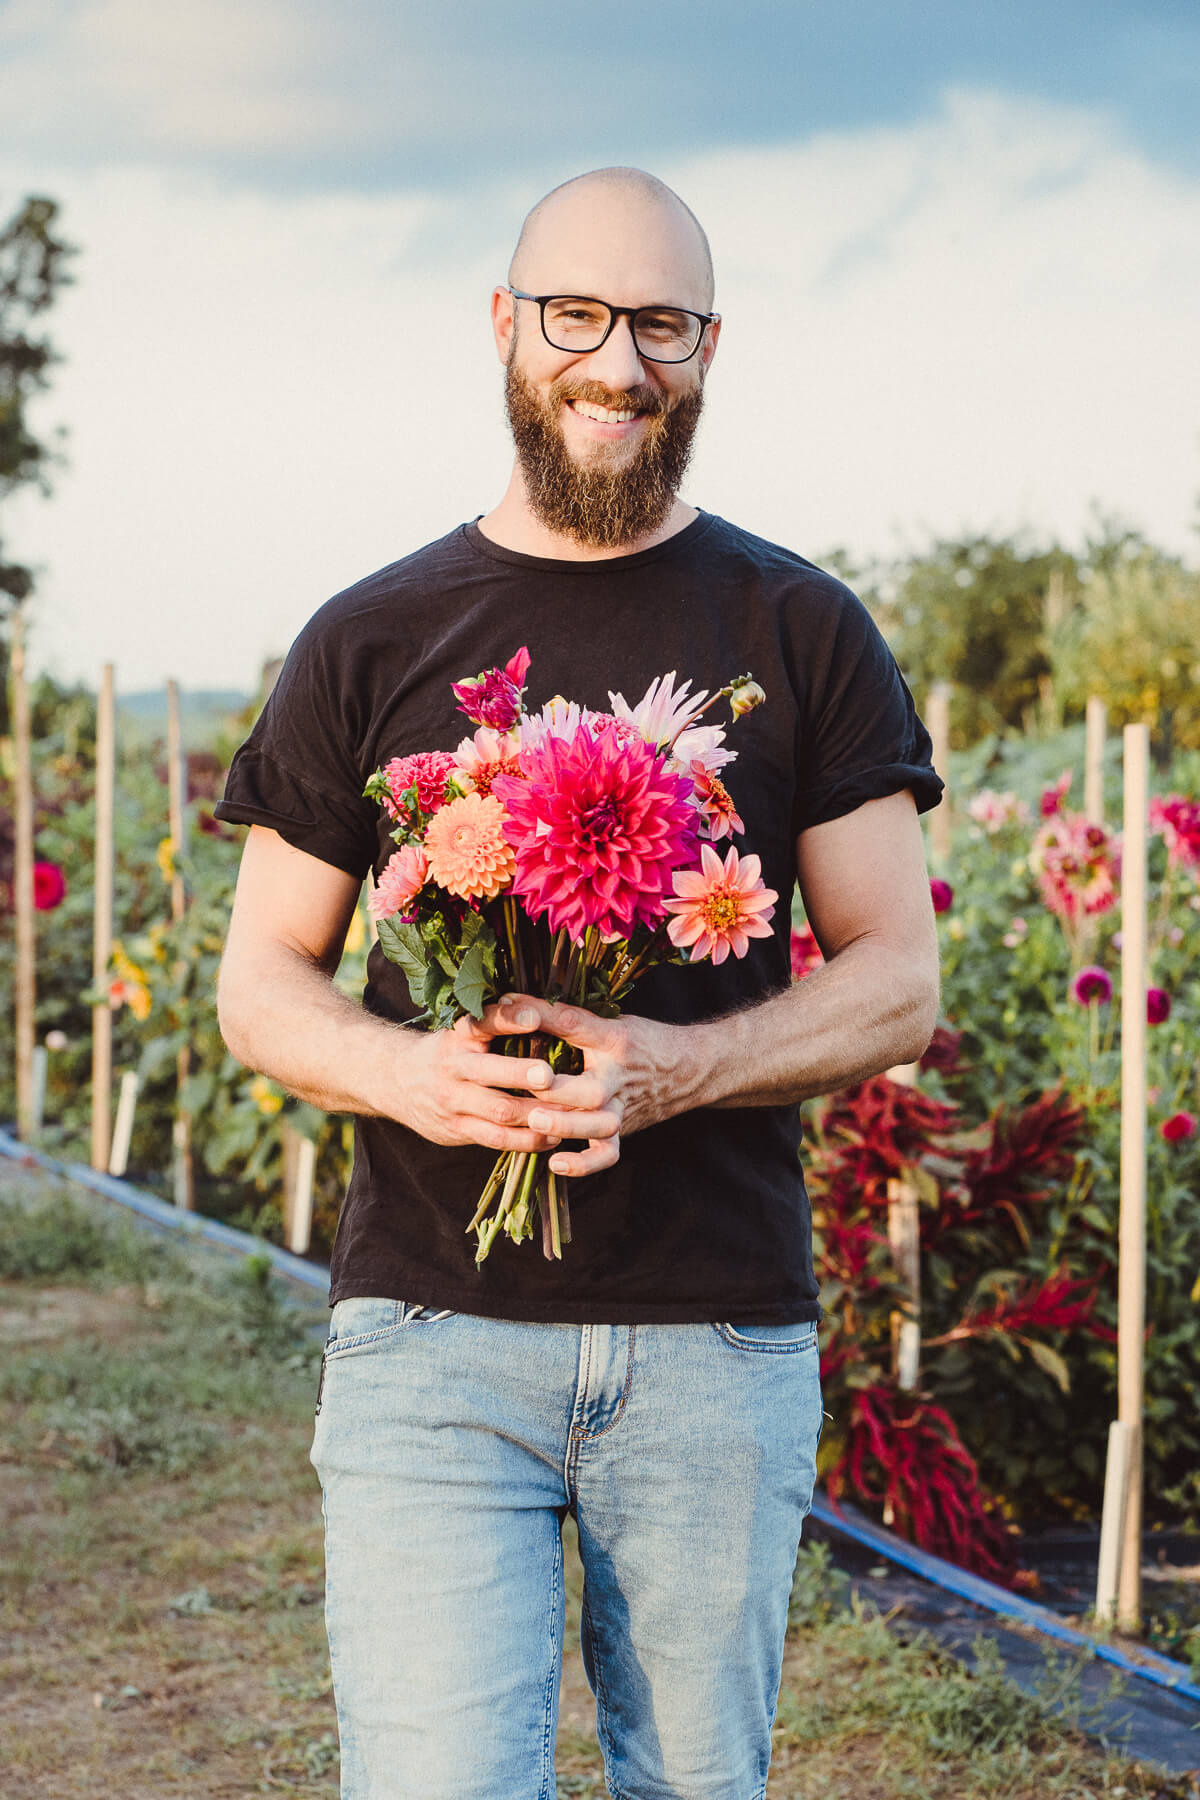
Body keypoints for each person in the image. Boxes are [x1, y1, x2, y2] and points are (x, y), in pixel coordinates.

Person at [214, 165, 943, 1800]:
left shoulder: (803, 628)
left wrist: (670, 1068)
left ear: (708, 347)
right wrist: (410, 1073)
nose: (621, 364)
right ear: (507, 327)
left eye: (664, 325)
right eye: (582, 317)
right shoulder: (371, 636)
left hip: (714, 1340)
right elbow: (261, 981)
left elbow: (900, 979)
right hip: (431, 1340)